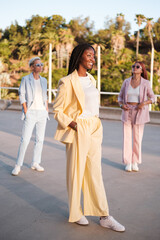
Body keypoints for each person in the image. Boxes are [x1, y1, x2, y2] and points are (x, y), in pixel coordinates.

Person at [53, 44, 125, 232]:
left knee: (95, 172)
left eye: (93, 55)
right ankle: (76, 212)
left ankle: (104, 216)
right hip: (78, 128)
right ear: (79, 57)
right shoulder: (67, 81)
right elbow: (58, 111)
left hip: (94, 127)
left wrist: (95, 124)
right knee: (76, 173)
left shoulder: (91, 79)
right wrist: (75, 126)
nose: (93, 58)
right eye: (89, 55)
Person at [12, 57, 49, 176]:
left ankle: (35, 162)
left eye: (41, 64)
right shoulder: (25, 79)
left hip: (42, 113)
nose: (40, 66)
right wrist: (26, 110)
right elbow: (21, 94)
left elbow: (45, 95)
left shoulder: (44, 80)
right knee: (25, 140)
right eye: (38, 65)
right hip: (31, 113)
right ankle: (18, 165)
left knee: (40, 140)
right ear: (32, 67)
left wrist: (46, 108)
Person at [118, 61, 155, 172]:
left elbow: (153, 98)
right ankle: (128, 162)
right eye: (133, 66)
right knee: (127, 138)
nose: (134, 68)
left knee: (137, 139)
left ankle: (135, 161)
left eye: (137, 66)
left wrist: (144, 103)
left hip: (140, 113)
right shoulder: (126, 82)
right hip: (127, 111)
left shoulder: (146, 83)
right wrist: (121, 106)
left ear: (142, 70)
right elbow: (120, 97)